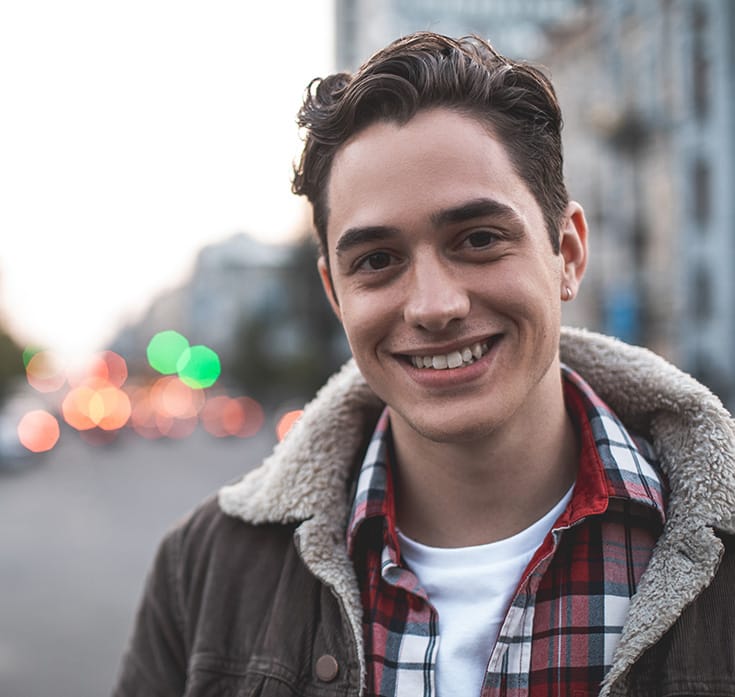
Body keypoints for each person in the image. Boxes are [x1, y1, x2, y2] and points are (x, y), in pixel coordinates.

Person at [112, 32, 735, 697]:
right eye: (377, 260)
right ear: (335, 294)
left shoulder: (712, 546)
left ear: (567, 253)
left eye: (477, 239)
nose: (434, 306)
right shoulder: (203, 569)